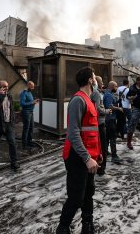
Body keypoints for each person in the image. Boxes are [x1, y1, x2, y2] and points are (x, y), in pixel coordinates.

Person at [56, 67, 102, 234]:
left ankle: (87, 225)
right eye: (95, 78)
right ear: (90, 80)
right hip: (77, 157)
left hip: (89, 156)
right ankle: (63, 228)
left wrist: (98, 154)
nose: (97, 81)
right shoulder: (78, 100)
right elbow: (73, 133)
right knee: (76, 197)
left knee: (89, 192)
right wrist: (87, 158)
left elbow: (92, 131)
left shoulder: (89, 100)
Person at [0, 80, 19, 171]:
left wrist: (12, 120)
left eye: (7, 86)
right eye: (5, 86)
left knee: (12, 143)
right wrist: (1, 97)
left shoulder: (9, 96)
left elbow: (11, 109)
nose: (7, 88)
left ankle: (14, 162)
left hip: (8, 124)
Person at [91, 76, 111, 176]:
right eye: (101, 81)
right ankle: (101, 170)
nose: (103, 83)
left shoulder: (96, 92)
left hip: (97, 124)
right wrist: (107, 111)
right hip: (99, 124)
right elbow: (98, 109)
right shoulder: (96, 93)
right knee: (102, 148)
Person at [103, 81, 123, 164]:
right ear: (111, 87)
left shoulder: (110, 94)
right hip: (110, 119)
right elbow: (109, 106)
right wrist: (118, 109)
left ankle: (106, 152)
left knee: (107, 137)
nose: (117, 88)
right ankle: (114, 156)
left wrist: (119, 99)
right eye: (116, 86)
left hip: (110, 119)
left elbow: (113, 103)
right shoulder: (108, 95)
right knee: (112, 137)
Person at [20, 81, 39, 149]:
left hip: (31, 112)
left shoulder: (29, 92)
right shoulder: (23, 93)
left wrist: (34, 102)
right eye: (32, 87)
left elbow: (30, 101)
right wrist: (32, 102)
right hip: (26, 112)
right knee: (26, 128)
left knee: (31, 128)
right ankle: (24, 145)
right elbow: (22, 104)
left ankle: (29, 142)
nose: (33, 88)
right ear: (28, 86)